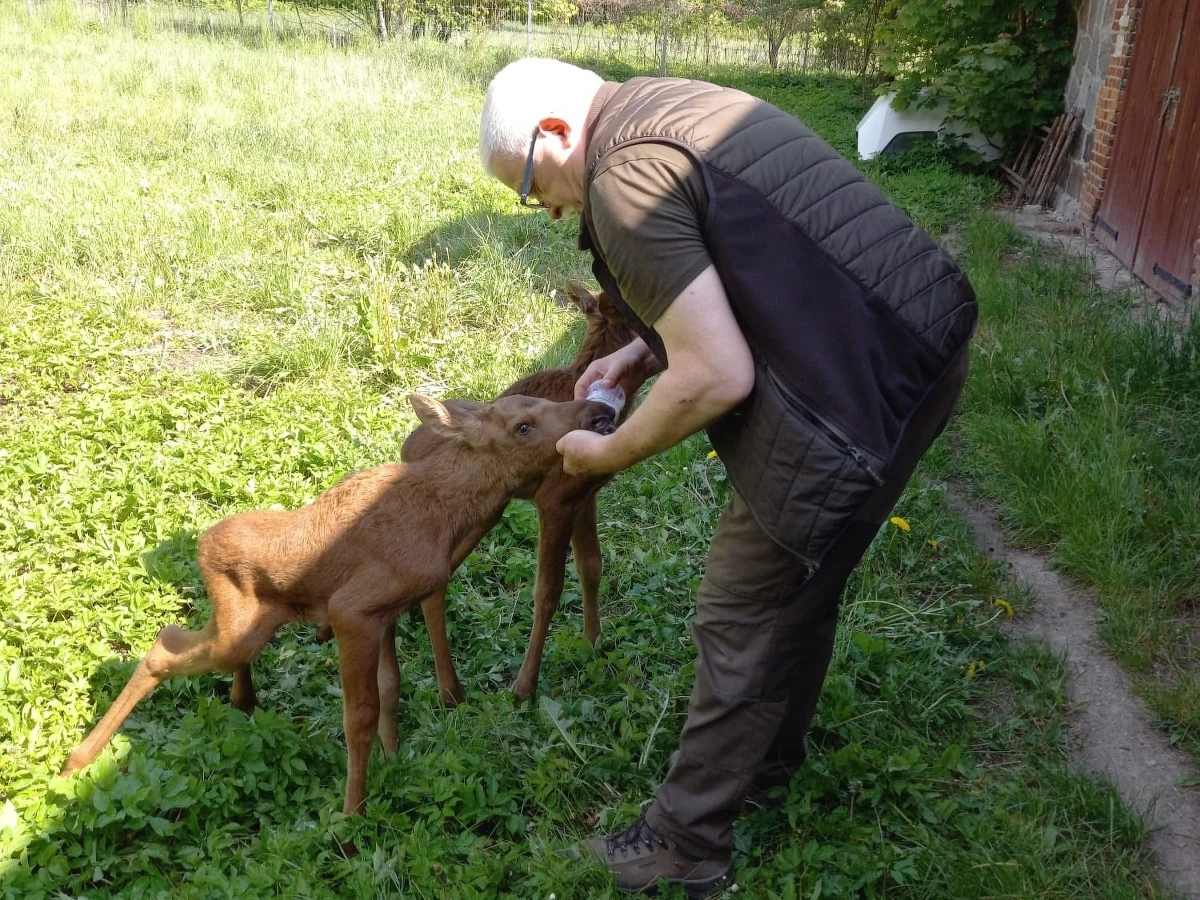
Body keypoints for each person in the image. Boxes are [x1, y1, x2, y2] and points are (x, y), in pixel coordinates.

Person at [478, 57, 976, 898]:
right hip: (921, 337)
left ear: (556, 134)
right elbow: (737, 265)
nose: (550, 209)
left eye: (533, 188)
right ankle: (769, 762)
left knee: (740, 608)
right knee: (802, 586)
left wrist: (611, 449)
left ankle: (684, 843)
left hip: (849, 385)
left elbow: (716, 376)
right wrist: (640, 351)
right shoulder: (666, 105)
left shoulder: (620, 180)